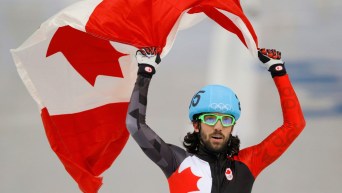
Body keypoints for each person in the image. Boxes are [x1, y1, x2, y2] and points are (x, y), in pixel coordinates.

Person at [126, 47, 306, 193]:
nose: (218, 127)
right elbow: (135, 125)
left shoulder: (248, 163)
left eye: (226, 120)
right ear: (196, 125)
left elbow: (295, 125)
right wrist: (145, 71)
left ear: (232, 126)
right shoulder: (177, 161)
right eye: (210, 119)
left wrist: (278, 70)